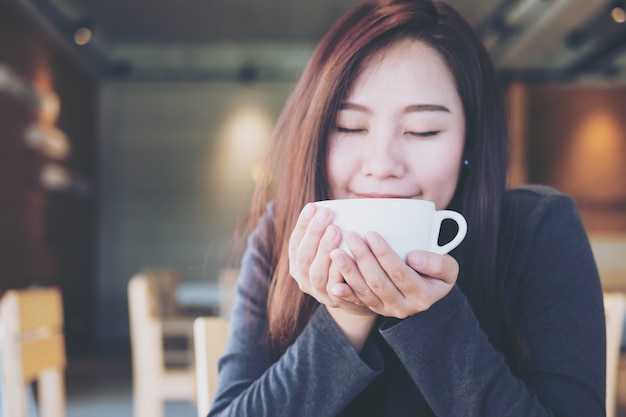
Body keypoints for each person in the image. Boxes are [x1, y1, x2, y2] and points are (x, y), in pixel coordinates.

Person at [208, 0, 606, 415]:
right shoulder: (281, 232)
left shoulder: (536, 229)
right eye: (349, 126)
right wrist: (345, 318)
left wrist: (428, 317)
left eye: (423, 130)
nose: (381, 165)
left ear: (469, 141)